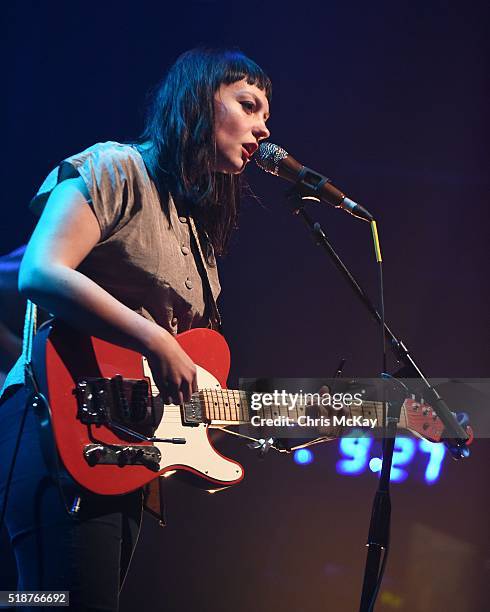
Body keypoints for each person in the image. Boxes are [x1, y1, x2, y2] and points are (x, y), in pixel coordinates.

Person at [0, 47, 271, 610]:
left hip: (123, 453)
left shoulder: (195, 234)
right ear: (201, 99)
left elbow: (179, 377)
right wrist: (155, 339)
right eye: (249, 105)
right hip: (55, 427)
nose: (262, 128)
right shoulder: (116, 167)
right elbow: (40, 271)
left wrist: (315, 414)